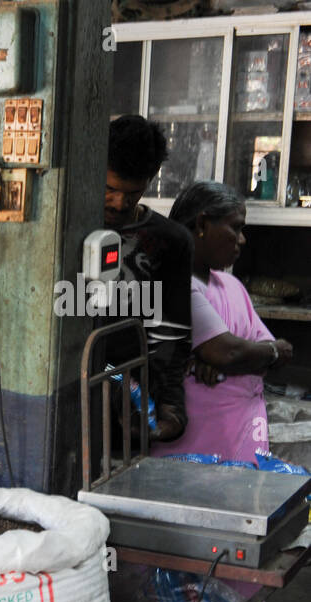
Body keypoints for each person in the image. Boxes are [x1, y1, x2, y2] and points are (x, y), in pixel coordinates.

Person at [152, 180, 293, 462]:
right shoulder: (174, 286)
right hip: (192, 455)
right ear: (202, 224)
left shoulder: (230, 285)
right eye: (236, 228)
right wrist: (242, 356)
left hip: (242, 444)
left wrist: (258, 354)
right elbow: (227, 352)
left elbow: (281, 351)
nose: (242, 240)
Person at [104, 115, 194, 445]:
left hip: (134, 404)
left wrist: (171, 407)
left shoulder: (171, 241)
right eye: (109, 188)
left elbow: (171, 333)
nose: (119, 203)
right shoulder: (67, 229)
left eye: (133, 193)